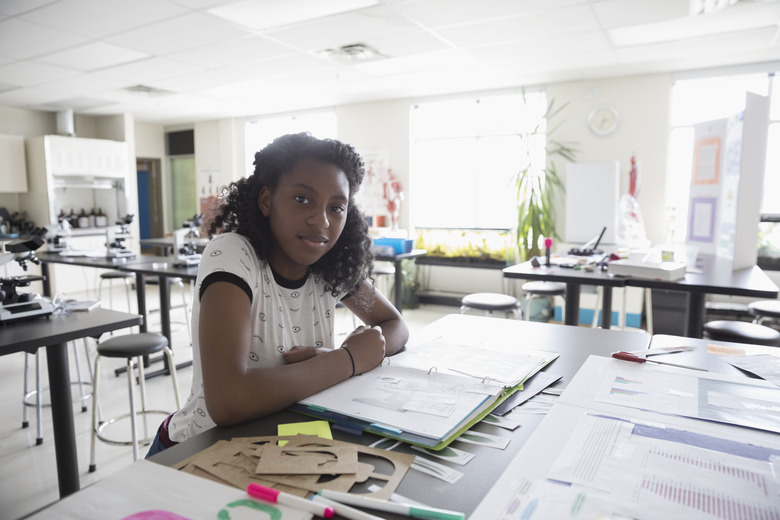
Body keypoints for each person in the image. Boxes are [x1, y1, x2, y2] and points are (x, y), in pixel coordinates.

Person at [145, 133, 409, 456]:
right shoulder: (233, 255)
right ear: (266, 200)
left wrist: (344, 357)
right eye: (302, 199)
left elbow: (394, 325)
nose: (321, 221)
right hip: (196, 452)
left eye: (336, 207)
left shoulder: (330, 265)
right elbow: (228, 400)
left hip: (278, 446)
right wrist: (348, 360)